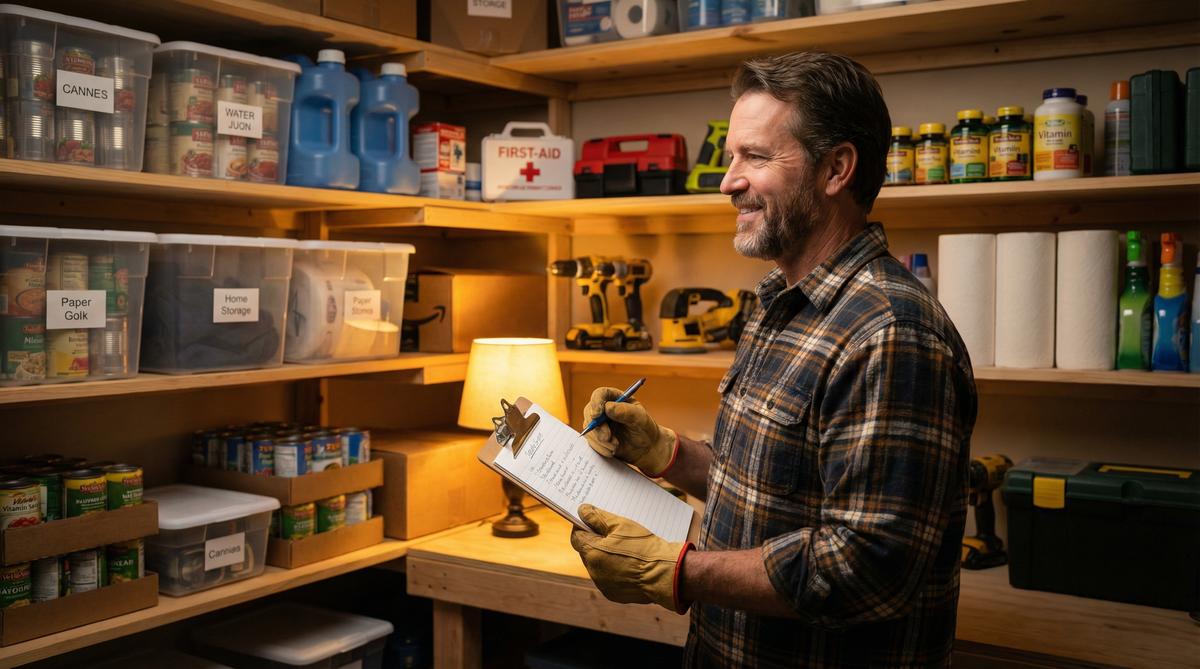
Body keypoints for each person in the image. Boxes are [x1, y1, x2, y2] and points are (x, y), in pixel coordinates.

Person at [569, 51, 978, 668]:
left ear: (836, 168)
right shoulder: (780, 304)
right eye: (732, 157)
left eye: (755, 158)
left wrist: (678, 573)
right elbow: (772, 491)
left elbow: (868, 566)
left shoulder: (891, 331)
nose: (728, 181)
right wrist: (665, 454)